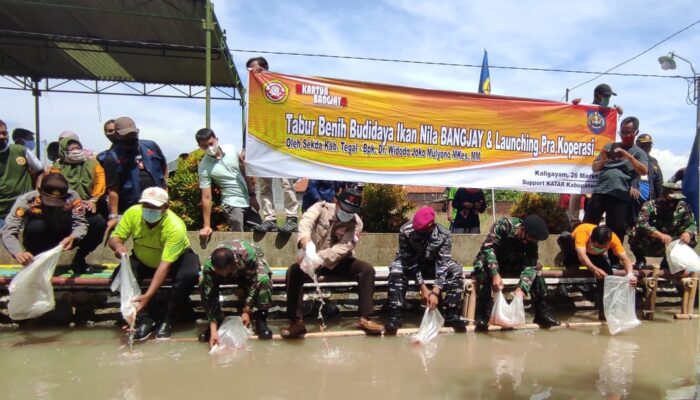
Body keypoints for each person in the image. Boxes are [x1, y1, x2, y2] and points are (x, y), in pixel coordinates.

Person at [281, 188, 383, 338]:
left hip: (339, 262)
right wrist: (306, 242)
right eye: (344, 209)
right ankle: (297, 322)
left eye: (351, 211)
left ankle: (364, 319)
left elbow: (344, 247)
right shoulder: (320, 208)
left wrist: (318, 257)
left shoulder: (357, 223)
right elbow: (305, 222)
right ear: (336, 202)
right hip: (311, 259)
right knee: (293, 271)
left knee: (366, 270)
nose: (347, 215)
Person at [108, 187, 199, 340]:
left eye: (155, 207)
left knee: (188, 275)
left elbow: (165, 265)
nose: (150, 210)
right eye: (146, 206)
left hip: (175, 260)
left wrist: (148, 295)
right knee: (119, 275)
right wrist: (118, 247)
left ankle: (168, 319)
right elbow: (115, 237)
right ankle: (144, 317)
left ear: (165, 207)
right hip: (142, 257)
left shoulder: (175, 226)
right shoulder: (133, 213)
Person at [385, 206, 467, 334]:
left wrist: (435, 291)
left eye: (422, 231)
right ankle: (395, 315)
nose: (418, 234)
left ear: (431, 226)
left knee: (456, 270)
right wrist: (423, 288)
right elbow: (409, 260)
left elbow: (443, 263)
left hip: (432, 264)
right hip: (411, 263)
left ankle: (452, 314)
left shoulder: (444, 234)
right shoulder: (406, 231)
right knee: (396, 270)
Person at [472, 214, 560, 329]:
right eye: (528, 239)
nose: (527, 242)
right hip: (493, 261)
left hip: (513, 263)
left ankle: (542, 313)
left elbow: (530, 265)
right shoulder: (505, 225)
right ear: (522, 229)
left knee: (537, 269)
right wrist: (495, 274)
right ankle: (485, 312)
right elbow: (489, 249)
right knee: (481, 267)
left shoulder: (532, 240)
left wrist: (522, 289)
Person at [585, 116, 648, 265]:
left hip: (620, 195)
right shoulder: (610, 146)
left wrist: (627, 155)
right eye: (623, 132)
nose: (625, 135)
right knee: (588, 224)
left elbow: (644, 170)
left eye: (628, 132)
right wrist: (603, 159)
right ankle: (585, 256)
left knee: (617, 228)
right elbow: (595, 168)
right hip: (601, 191)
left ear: (636, 132)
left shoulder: (639, 152)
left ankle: (614, 261)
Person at [247, 56, 299, 233]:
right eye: (250, 72)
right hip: (262, 144)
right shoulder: (253, 95)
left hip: (281, 143)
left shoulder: (278, 88)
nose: (253, 74)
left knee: (286, 182)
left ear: (265, 69)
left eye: (256, 70)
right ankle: (269, 218)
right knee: (264, 184)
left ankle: (292, 217)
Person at [199, 239, 274, 346]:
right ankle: (218, 318)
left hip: (249, 268)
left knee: (263, 279)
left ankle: (261, 317)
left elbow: (253, 282)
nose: (224, 276)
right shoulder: (209, 266)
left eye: (226, 272)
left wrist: (246, 311)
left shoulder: (248, 255)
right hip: (235, 272)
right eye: (220, 273)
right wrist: (213, 330)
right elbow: (210, 296)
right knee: (203, 284)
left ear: (234, 264)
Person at [49, 136, 107, 273]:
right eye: (71, 149)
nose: (75, 151)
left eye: (77, 148)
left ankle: (80, 257)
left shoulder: (93, 163)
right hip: (63, 208)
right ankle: (47, 261)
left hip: (87, 205)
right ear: (63, 151)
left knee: (99, 224)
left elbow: (100, 181)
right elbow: (53, 184)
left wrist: (94, 199)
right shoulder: (57, 166)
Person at [1, 173, 87, 265]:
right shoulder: (27, 200)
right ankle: (34, 259)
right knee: (37, 226)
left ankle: (80, 258)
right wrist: (18, 252)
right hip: (40, 236)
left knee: (97, 222)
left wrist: (74, 236)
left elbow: (80, 223)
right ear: (39, 191)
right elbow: (8, 230)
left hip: (65, 236)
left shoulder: (73, 197)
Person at [557, 224, 638, 320]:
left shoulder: (614, 239)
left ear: (608, 243)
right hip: (574, 253)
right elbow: (582, 256)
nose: (597, 248)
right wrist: (594, 269)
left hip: (594, 256)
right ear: (590, 238)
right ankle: (570, 263)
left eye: (601, 248)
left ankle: (604, 312)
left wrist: (630, 274)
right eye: (595, 246)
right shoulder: (583, 232)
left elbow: (625, 260)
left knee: (607, 275)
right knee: (565, 237)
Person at [570, 83, 623, 227]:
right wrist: (573, 108)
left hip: (602, 157)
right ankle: (574, 221)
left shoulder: (610, 112)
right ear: (597, 95)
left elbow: (618, 134)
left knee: (600, 190)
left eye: (610, 96)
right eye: (606, 96)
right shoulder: (585, 108)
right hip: (583, 156)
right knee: (577, 188)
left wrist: (618, 115)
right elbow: (571, 124)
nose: (608, 99)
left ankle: (599, 222)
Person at [195, 128, 257, 237]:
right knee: (238, 239)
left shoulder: (231, 149)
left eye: (211, 143)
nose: (209, 148)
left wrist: (252, 195)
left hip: (247, 200)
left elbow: (244, 171)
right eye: (205, 146)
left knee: (261, 231)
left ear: (216, 140)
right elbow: (206, 197)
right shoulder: (204, 167)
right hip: (231, 203)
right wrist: (206, 226)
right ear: (200, 147)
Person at [628, 181, 697, 269]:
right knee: (634, 232)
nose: (675, 201)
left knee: (693, 237)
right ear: (663, 195)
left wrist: (688, 232)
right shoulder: (650, 205)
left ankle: (667, 262)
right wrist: (659, 235)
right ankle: (640, 260)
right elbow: (640, 223)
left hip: (671, 242)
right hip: (651, 242)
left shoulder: (683, 207)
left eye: (677, 199)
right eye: (672, 198)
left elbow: (692, 224)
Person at [108, 116, 167, 215]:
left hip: (157, 203)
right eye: (126, 135)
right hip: (131, 207)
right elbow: (113, 189)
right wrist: (114, 216)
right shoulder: (112, 156)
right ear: (117, 135)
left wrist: (166, 188)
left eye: (133, 134)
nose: (131, 138)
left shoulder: (150, 145)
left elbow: (164, 167)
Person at [0, 121, 43, 229]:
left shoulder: (21, 151)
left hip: (22, 207)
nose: (1, 137)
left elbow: (41, 172)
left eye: (4, 133)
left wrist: (37, 193)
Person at [630, 133, 663, 218]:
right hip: (632, 200)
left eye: (649, 145)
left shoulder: (653, 161)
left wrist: (661, 198)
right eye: (643, 145)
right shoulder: (630, 158)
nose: (647, 147)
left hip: (649, 201)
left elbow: (659, 182)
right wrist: (631, 187)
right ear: (637, 144)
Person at [96, 119, 121, 230]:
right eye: (109, 131)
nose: (113, 133)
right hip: (113, 202)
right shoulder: (103, 157)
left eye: (115, 130)